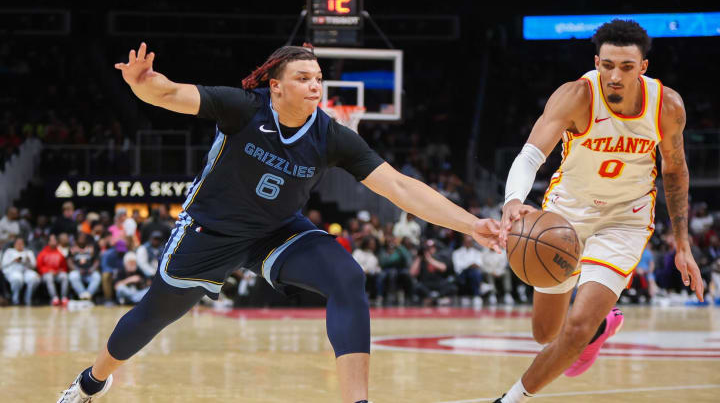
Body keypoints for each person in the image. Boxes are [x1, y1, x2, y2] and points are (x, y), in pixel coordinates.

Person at [58, 42, 502, 403]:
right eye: (303, 78)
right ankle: (92, 382)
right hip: (210, 230)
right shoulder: (243, 108)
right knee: (153, 317)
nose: (315, 87)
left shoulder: (330, 136)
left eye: (318, 79)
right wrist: (142, 84)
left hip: (275, 232)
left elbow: (401, 188)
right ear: (275, 86)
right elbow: (170, 93)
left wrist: (471, 224)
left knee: (347, 277)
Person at [495, 20, 703, 403]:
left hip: (626, 219)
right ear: (596, 61)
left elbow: (676, 171)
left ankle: (510, 399)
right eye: (607, 65)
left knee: (575, 329)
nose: (615, 75)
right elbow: (530, 155)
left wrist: (682, 243)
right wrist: (512, 200)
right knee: (545, 334)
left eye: (626, 66)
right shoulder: (576, 96)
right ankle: (601, 327)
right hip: (566, 215)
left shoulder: (667, 106)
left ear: (643, 67)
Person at [1, 238, 39, 305]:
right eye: (18, 243)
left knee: (35, 278)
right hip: (13, 271)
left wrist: (29, 260)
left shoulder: (28, 252)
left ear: (24, 244)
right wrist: (13, 260)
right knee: (17, 279)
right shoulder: (9, 251)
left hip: (26, 271)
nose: (19, 245)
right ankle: (15, 299)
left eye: (21, 243)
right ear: (14, 244)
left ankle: (28, 299)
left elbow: (34, 266)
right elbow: (3, 265)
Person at [36, 234, 70, 306]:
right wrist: (48, 271)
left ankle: (64, 298)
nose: (54, 242)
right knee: (49, 277)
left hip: (57, 274)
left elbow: (64, 267)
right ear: (48, 242)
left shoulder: (59, 253)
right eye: (52, 240)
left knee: (64, 276)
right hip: (46, 274)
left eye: (55, 240)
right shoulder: (43, 253)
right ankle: (54, 298)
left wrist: (59, 271)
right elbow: (39, 267)